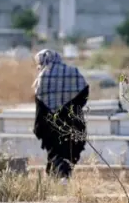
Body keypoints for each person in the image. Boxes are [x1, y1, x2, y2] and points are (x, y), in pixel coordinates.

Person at [32, 49, 89, 184]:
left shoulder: (42, 76)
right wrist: (73, 107)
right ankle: (62, 176)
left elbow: (39, 104)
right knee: (71, 149)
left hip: (50, 122)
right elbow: (85, 92)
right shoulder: (73, 71)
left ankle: (61, 176)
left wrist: (38, 127)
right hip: (72, 119)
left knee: (55, 151)